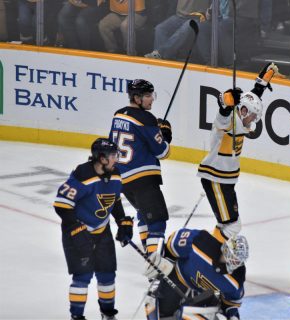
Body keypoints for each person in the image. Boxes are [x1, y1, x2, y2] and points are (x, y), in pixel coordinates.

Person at [197, 62, 278, 243]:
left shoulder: (242, 116)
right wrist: (225, 103)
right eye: (252, 115)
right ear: (242, 111)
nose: (253, 120)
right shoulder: (229, 120)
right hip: (215, 178)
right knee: (233, 225)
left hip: (226, 179)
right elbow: (223, 113)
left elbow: (252, 97)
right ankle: (210, 252)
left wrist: (261, 84)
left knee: (227, 224)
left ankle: (213, 251)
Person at [53, 138, 134, 320]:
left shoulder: (115, 174)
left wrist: (122, 221)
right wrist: (76, 229)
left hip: (101, 231)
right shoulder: (83, 176)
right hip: (77, 233)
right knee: (83, 276)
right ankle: (77, 316)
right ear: (102, 159)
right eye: (113, 156)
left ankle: (108, 314)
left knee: (107, 275)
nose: (117, 159)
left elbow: (114, 199)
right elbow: (61, 205)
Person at [108, 79, 172, 276]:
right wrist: (166, 134)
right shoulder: (147, 119)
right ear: (136, 98)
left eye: (152, 94)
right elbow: (163, 152)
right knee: (158, 221)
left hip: (124, 180)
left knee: (144, 216)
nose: (151, 99)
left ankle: (149, 256)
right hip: (143, 178)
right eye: (147, 95)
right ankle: (154, 266)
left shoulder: (118, 114)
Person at [144, 228, 248, 320]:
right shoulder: (201, 242)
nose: (235, 262)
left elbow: (231, 303)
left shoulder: (236, 279)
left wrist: (231, 315)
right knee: (158, 312)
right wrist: (163, 258)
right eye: (233, 257)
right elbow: (173, 243)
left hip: (203, 297)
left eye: (238, 260)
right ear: (226, 249)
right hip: (177, 280)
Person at [144, 0, 210, 60]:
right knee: (160, 29)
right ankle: (161, 61)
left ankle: (160, 54)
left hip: (198, 16)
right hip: (180, 16)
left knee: (185, 28)